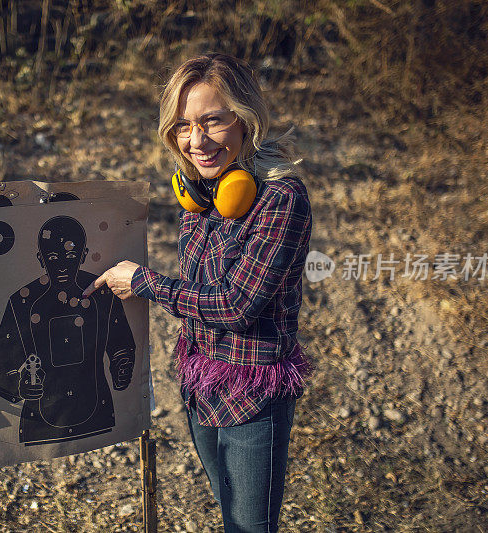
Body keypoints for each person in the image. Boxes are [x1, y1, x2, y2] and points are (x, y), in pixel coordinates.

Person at [84, 53, 312, 532]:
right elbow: (197, 289)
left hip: (254, 392)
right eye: (184, 126)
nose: (197, 141)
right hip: (199, 383)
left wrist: (144, 282)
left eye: (213, 122)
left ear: (246, 121)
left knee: (249, 528)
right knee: (228, 514)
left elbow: (234, 305)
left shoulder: (281, 199)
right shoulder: (201, 194)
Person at [0, 215, 135, 446]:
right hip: (41, 422)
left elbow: (121, 342)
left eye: (71, 256)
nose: (62, 265)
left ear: (83, 255)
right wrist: (20, 386)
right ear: (41, 259)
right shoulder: (24, 301)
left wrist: (122, 363)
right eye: (53, 257)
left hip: (97, 413)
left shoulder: (102, 292)